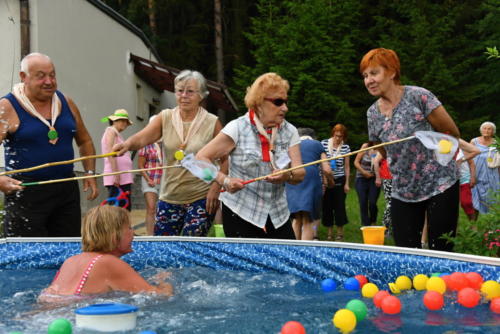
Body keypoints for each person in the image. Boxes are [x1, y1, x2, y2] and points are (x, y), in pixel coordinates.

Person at [360, 48, 460, 251]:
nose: (369, 80)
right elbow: (384, 152)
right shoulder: (372, 113)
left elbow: (451, 133)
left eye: (374, 73)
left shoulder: (419, 97)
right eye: (365, 76)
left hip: (440, 183)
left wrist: (436, 149)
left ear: (392, 72)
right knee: (405, 252)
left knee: (441, 248)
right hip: (403, 189)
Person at [114, 70, 225, 236]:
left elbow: (226, 159)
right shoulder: (165, 117)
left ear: (201, 95)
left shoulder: (212, 122)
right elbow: (143, 137)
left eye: (190, 91)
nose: (184, 95)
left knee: (191, 248)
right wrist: (127, 144)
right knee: (164, 248)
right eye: (180, 91)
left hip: (201, 195)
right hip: (170, 195)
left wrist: (216, 188)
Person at [196, 72, 305, 239]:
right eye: (278, 102)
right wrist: (224, 180)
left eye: (285, 101)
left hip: (278, 215)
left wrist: (287, 175)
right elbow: (198, 161)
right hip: (241, 213)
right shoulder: (237, 127)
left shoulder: (290, 131)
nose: (285, 108)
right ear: (259, 103)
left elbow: (300, 174)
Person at [0, 52, 98, 237]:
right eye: (41, 76)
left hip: (65, 190)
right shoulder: (7, 107)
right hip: (25, 192)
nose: (49, 81)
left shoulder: (66, 102)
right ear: (24, 77)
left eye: (52, 75)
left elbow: (84, 140)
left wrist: (90, 172)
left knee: (66, 250)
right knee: (28, 258)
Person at [38, 205, 173, 303]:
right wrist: (163, 282)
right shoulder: (108, 263)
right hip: (73, 315)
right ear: (115, 235)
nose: (134, 233)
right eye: (129, 228)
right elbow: (160, 296)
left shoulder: (71, 260)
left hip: (48, 314)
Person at [286, 128, 333, 240]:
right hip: (311, 179)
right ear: (313, 136)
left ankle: (293, 251)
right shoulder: (317, 144)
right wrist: (331, 181)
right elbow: (327, 169)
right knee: (308, 219)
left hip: (293, 178)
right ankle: (304, 252)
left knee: (297, 219)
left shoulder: (291, 144)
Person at [321, 124, 351, 241]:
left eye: (341, 136)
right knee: (327, 206)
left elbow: (347, 167)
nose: (338, 138)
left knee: (339, 206)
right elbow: (320, 163)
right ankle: (329, 232)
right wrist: (324, 179)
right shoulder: (323, 144)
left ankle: (340, 233)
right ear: (333, 134)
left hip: (339, 179)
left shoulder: (346, 148)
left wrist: (347, 183)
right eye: (336, 135)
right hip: (326, 179)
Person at [101, 109, 134, 211]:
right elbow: (110, 153)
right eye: (122, 120)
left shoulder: (117, 134)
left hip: (123, 176)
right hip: (117, 177)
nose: (124, 123)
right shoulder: (111, 131)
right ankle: (115, 227)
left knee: (124, 206)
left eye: (126, 121)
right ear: (114, 121)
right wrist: (116, 173)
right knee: (117, 208)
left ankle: (123, 227)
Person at [138, 115, 163, 235]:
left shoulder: (166, 143)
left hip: (163, 180)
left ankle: (160, 234)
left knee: (162, 209)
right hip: (149, 179)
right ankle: (150, 234)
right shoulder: (145, 143)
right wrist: (148, 179)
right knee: (151, 208)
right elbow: (141, 166)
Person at [470, 121, 499, 215]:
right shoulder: (474, 141)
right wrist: (471, 175)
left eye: (489, 129)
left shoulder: (496, 143)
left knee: (492, 198)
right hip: (476, 174)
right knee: (475, 198)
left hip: (492, 175)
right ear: (481, 130)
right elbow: (468, 158)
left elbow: (499, 161)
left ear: (493, 131)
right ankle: (473, 224)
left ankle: (492, 224)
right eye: (484, 128)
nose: (486, 130)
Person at [354, 142, 381, 226]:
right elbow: (356, 162)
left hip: (374, 178)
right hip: (361, 178)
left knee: (372, 202)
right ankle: (365, 225)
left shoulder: (381, 148)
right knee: (363, 202)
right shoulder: (365, 146)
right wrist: (364, 172)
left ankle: (373, 221)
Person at [373, 151, 393, 234]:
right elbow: (376, 162)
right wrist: (378, 177)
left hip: (400, 179)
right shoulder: (385, 146)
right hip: (387, 178)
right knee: (390, 204)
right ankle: (385, 229)